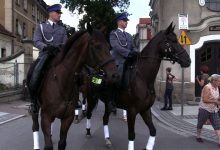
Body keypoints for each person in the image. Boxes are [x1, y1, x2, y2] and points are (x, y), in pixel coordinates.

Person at [29, 4, 67, 113]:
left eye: (60, 13)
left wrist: (60, 48)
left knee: (74, 71)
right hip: (45, 55)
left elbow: (66, 43)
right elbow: (36, 41)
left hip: (59, 56)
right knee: (34, 72)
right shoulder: (41, 26)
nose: (59, 15)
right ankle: (33, 101)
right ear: (50, 13)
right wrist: (46, 47)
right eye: (58, 13)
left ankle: (73, 99)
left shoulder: (62, 29)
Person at [109, 12, 139, 112]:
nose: (126, 22)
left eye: (126, 21)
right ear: (119, 22)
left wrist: (136, 53)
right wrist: (128, 53)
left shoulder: (129, 36)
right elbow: (116, 47)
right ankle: (112, 100)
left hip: (129, 61)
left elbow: (134, 47)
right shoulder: (114, 34)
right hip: (118, 61)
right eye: (125, 21)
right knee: (116, 79)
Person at [196, 74, 220, 146]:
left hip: (213, 110)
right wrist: (215, 101)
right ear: (214, 81)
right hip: (204, 109)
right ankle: (198, 136)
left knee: (217, 125)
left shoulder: (216, 88)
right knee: (200, 123)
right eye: (219, 81)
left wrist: (217, 100)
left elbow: (216, 97)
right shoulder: (207, 87)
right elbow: (205, 100)